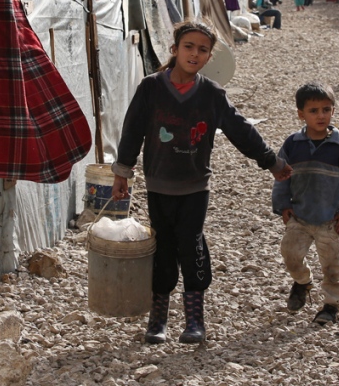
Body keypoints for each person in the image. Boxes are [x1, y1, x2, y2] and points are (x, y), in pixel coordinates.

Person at [111, 21, 293, 345]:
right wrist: (121, 172)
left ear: (210, 57)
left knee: (191, 244)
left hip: (195, 186)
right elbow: (132, 131)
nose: (194, 54)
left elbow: (240, 130)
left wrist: (271, 161)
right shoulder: (151, 88)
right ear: (175, 49)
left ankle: (195, 319)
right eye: (189, 47)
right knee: (163, 247)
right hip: (159, 185)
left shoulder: (211, 94)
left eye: (203, 50)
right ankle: (158, 318)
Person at [272, 83, 339, 325]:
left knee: (331, 266)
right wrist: (283, 204)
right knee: (290, 254)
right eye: (313, 111)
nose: (321, 115)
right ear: (301, 114)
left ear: (333, 111)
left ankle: (331, 305)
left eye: (326, 109)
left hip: (330, 219)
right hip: (299, 215)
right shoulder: (293, 144)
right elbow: (281, 175)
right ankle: (302, 282)